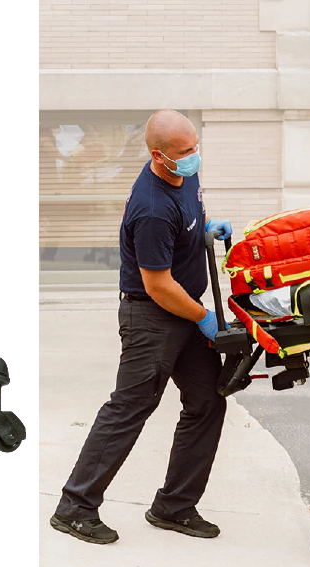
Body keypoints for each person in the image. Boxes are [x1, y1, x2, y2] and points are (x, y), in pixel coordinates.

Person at [50, 109, 234, 544]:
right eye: (185, 152)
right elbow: (157, 284)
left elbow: (186, 222)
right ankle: (74, 508)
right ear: (159, 156)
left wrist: (206, 229)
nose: (194, 158)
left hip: (184, 310)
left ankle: (174, 506)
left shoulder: (183, 176)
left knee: (208, 401)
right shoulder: (151, 207)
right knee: (130, 409)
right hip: (152, 317)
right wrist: (204, 317)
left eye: (195, 148)